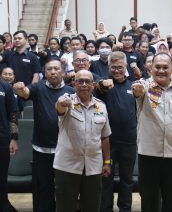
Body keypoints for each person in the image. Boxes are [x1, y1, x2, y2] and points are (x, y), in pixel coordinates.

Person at [13, 58, 75, 212]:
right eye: (49, 69)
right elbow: (26, 93)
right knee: (44, 188)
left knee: (65, 188)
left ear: (63, 71)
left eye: (56, 68)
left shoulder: (72, 92)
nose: (53, 72)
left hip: (66, 149)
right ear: (44, 72)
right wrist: (20, 89)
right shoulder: (38, 88)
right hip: (42, 149)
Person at [132, 52, 172, 212]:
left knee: (170, 201)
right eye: (157, 67)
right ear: (151, 68)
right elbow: (137, 91)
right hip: (149, 155)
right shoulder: (144, 86)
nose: (161, 70)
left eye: (165, 67)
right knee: (149, 202)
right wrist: (137, 90)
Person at [54, 70, 111, 212]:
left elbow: (105, 137)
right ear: (74, 84)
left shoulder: (101, 106)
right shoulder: (67, 101)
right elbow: (59, 109)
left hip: (93, 166)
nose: (84, 84)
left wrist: (107, 162)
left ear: (93, 85)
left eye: (87, 81)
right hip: (67, 165)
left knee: (92, 207)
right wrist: (61, 103)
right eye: (80, 81)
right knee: (65, 207)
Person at [95, 51, 138, 212]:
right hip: (107, 142)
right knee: (106, 179)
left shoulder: (133, 87)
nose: (117, 70)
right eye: (113, 67)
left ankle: (125, 208)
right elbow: (97, 86)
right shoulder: (103, 86)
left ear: (126, 67)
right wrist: (102, 84)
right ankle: (105, 208)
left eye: (120, 67)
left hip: (129, 141)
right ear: (108, 67)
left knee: (127, 179)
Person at [0, 77, 18, 212]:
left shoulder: (5, 86)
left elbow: (13, 113)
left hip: (2, 139)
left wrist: (14, 138)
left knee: (1, 177)